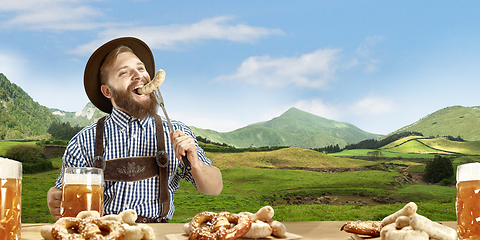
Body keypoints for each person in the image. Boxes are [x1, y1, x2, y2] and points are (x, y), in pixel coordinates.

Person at [47, 37, 223, 222]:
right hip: (105, 233)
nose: (138, 75)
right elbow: (61, 195)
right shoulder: (84, 140)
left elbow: (215, 188)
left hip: (157, 234)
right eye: (124, 73)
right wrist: (55, 196)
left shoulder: (176, 131)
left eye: (140, 68)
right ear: (108, 91)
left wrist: (195, 164)